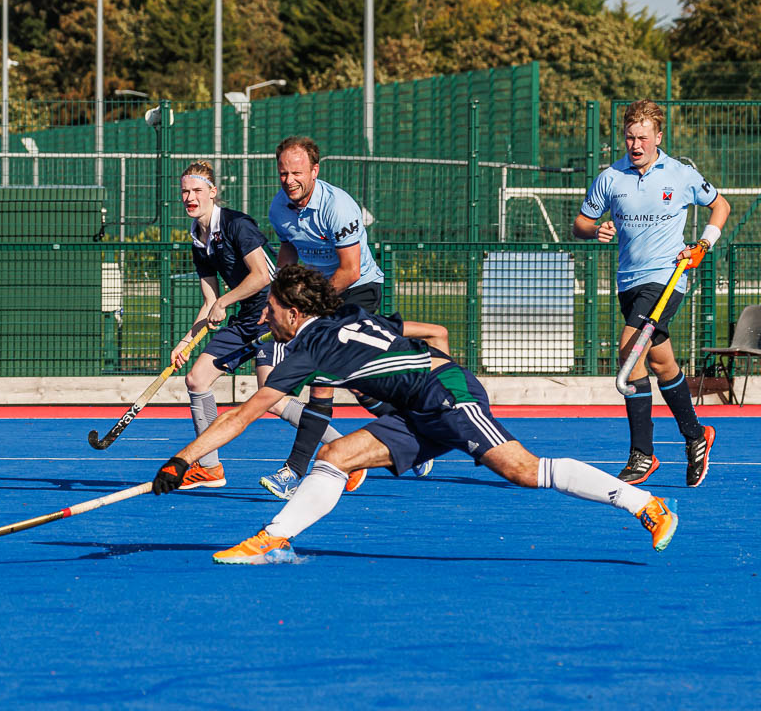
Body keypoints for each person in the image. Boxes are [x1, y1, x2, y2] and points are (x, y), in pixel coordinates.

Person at [150, 264, 681, 564]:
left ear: (294, 312)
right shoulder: (348, 313)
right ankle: (273, 538)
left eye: (270, 311)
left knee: (524, 470)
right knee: (337, 454)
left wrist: (182, 458)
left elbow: (243, 414)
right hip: (419, 402)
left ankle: (647, 505)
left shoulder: (308, 348)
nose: (265, 319)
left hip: (445, 393)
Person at [261, 136, 434, 500]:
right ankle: (416, 437)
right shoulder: (279, 207)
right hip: (315, 292)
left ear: (315, 170)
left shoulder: (338, 207)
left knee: (321, 378)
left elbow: (350, 271)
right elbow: (289, 247)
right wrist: (279, 295)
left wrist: (309, 306)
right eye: (283, 173)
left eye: (297, 172)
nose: (289, 180)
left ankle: (293, 471)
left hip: (357, 288)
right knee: (358, 385)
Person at [572, 99, 729, 488]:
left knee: (630, 349)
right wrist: (595, 230)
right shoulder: (610, 177)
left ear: (658, 136)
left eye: (643, 137)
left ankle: (642, 454)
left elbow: (720, 205)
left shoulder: (680, 174)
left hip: (668, 278)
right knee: (660, 364)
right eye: (630, 136)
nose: (635, 144)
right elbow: (580, 223)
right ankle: (696, 437)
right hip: (629, 282)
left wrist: (703, 246)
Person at [167, 161, 277, 490]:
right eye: (185, 191)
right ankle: (210, 468)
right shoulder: (198, 240)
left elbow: (264, 276)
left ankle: (338, 448)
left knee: (273, 398)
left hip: (277, 314)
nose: (190, 197)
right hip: (246, 316)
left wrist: (223, 303)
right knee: (197, 378)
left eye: (197, 190)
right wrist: (186, 341)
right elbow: (209, 299)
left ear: (213, 193)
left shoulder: (236, 225)